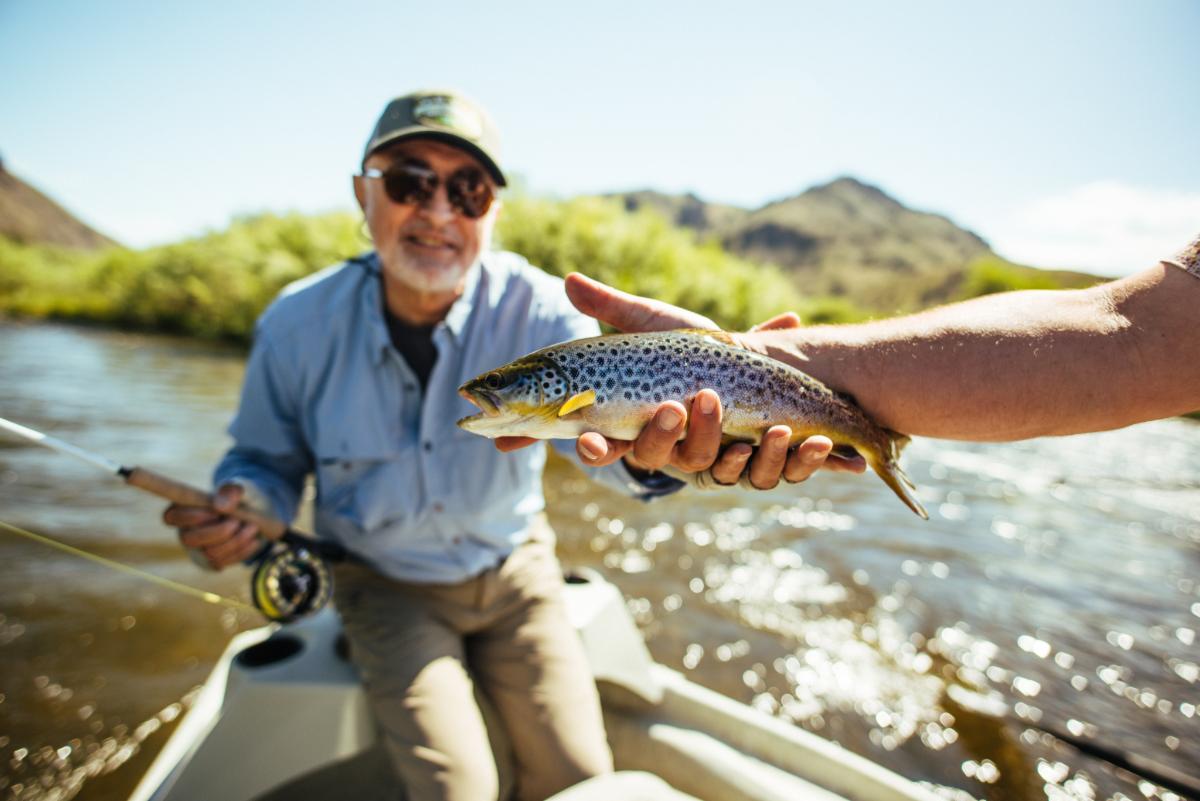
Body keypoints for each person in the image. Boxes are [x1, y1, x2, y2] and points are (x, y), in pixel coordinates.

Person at [162, 89, 708, 801]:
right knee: (460, 790)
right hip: (384, 585)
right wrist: (243, 503)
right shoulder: (295, 324)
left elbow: (597, 447)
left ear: (493, 212)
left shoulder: (542, 310)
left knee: (577, 777)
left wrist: (653, 454)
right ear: (365, 196)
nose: (438, 210)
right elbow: (263, 462)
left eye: (468, 189)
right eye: (409, 182)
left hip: (516, 575)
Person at [510, 234, 1200, 486]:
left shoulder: (531, 306)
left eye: (468, 186)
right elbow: (1136, 333)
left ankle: (872, 442)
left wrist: (752, 363)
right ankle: (870, 440)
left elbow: (1137, 333)